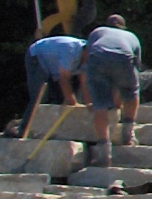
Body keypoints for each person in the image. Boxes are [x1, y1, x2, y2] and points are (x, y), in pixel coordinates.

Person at [80, 13, 142, 158]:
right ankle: (128, 134)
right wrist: (120, 99)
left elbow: (88, 56)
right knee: (131, 91)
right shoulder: (131, 36)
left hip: (97, 58)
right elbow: (136, 68)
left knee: (100, 105)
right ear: (123, 27)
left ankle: (104, 152)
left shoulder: (97, 32)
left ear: (106, 24)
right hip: (124, 57)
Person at [23, 32, 87, 132]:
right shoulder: (71, 50)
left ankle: (51, 131)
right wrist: (73, 102)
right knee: (39, 97)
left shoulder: (90, 59)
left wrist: (89, 104)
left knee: (58, 98)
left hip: (54, 65)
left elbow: (85, 83)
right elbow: (64, 79)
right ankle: (24, 130)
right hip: (37, 56)